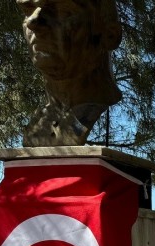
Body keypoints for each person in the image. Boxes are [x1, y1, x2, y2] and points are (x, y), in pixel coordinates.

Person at [17, 0, 123, 146]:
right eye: (28, 10)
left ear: (110, 35)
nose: (32, 23)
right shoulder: (40, 122)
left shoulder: (90, 109)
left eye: (62, 11)